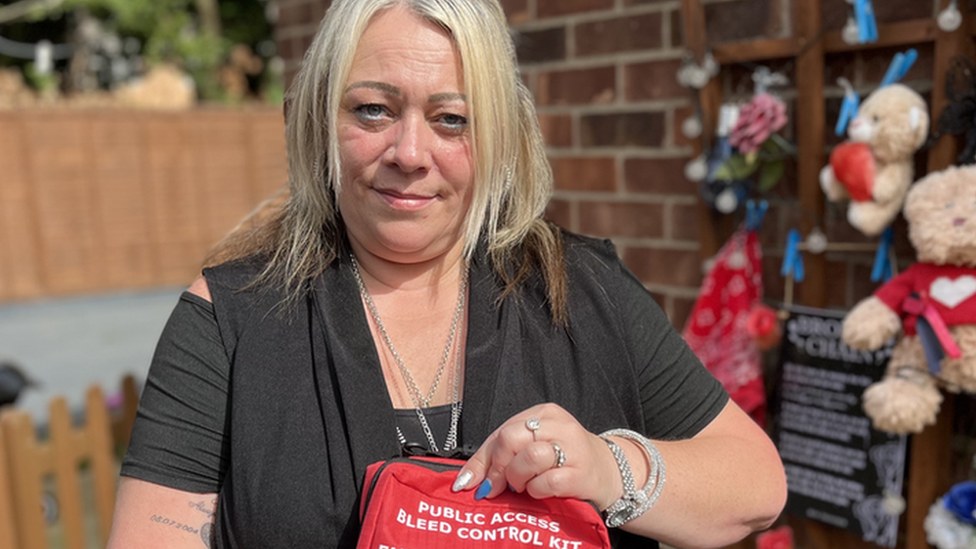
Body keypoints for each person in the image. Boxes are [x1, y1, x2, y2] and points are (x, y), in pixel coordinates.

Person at [107, 1, 787, 547]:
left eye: (450, 119)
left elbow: (755, 486)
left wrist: (609, 467)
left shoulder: (581, 289)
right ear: (320, 119)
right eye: (372, 108)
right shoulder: (229, 321)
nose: (410, 151)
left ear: (496, 138)